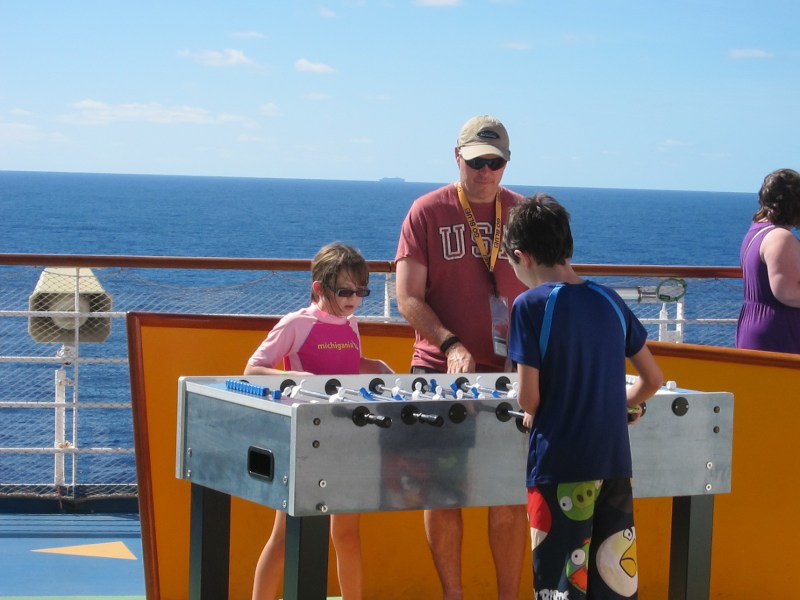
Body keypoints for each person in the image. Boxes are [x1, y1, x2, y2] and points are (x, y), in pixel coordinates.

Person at [503, 193, 663, 599]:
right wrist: (617, 406)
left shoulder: (529, 305)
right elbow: (652, 378)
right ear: (567, 247)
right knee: (613, 580)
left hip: (559, 466)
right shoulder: (609, 299)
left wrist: (532, 410)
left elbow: (528, 398)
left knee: (560, 585)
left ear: (521, 256)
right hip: (612, 463)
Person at [395, 115, 528, 600]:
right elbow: (408, 296)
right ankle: (453, 595)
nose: (485, 171)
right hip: (439, 373)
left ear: (506, 163)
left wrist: (531, 355)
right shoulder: (426, 211)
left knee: (508, 495)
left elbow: (549, 285)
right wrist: (450, 344)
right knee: (442, 492)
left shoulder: (524, 214)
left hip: (511, 375)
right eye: (476, 162)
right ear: (458, 158)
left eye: (495, 162)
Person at [245, 242, 392, 600]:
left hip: (346, 436)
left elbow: (347, 365)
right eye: (344, 291)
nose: (353, 299)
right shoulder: (297, 324)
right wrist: (297, 378)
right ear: (318, 288)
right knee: (284, 536)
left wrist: (374, 366)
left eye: (361, 291)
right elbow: (253, 369)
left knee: (347, 535)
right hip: (305, 440)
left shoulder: (351, 324)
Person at [735, 168, 800, 354]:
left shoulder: (756, 232)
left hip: (755, 324)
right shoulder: (780, 237)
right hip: (780, 331)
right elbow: (788, 293)